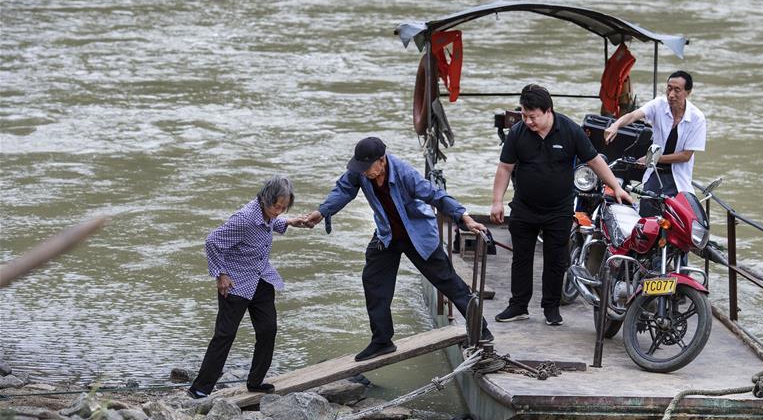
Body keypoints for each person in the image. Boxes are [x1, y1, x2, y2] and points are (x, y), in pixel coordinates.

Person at [301, 137, 494, 361]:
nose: (364, 172)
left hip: (417, 234)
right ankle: (382, 341)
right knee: (373, 280)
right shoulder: (361, 172)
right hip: (387, 234)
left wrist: (464, 217)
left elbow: (435, 195)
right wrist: (322, 212)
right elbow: (343, 190)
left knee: (448, 281)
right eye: (361, 168)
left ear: (382, 160)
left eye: (368, 167)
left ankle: (481, 330)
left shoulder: (404, 173)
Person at [490, 84, 632, 326]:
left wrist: (616, 187)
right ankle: (518, 305)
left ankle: (551, 308)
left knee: (556, 260)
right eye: (524, 116)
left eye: (533, 117)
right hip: (524, 206)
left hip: (558, 209)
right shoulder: (517, 133)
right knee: (521, 258)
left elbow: (594, 160)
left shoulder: (570, 130)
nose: (528, 121)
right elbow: (505, 168)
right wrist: (497, 201)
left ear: (548, 111)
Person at [188, 176, 305, 399]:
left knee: (268, 329)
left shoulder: (269, 214)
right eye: (276, 207)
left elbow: (270, 223)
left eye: (283, 208)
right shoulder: (243, 219)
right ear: (264, 199)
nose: (279, 211)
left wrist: (289, 221)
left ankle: (255, 381)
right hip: (236, 282)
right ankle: (200, 389)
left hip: (261, 278)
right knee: (225, 335)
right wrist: (221, 274)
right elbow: (212, 242)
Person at [604, 70, 707, 217]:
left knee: (677, 219)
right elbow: (633, 115)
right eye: (669, 88)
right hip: (654, 173)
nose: (671, 95)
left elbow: (685, 156)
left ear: (688, 93)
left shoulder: (697, 118)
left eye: (677, 90)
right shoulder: (659, 104)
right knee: (647, 214)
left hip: (678, 177)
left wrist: (651, 159)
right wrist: (616, 125)